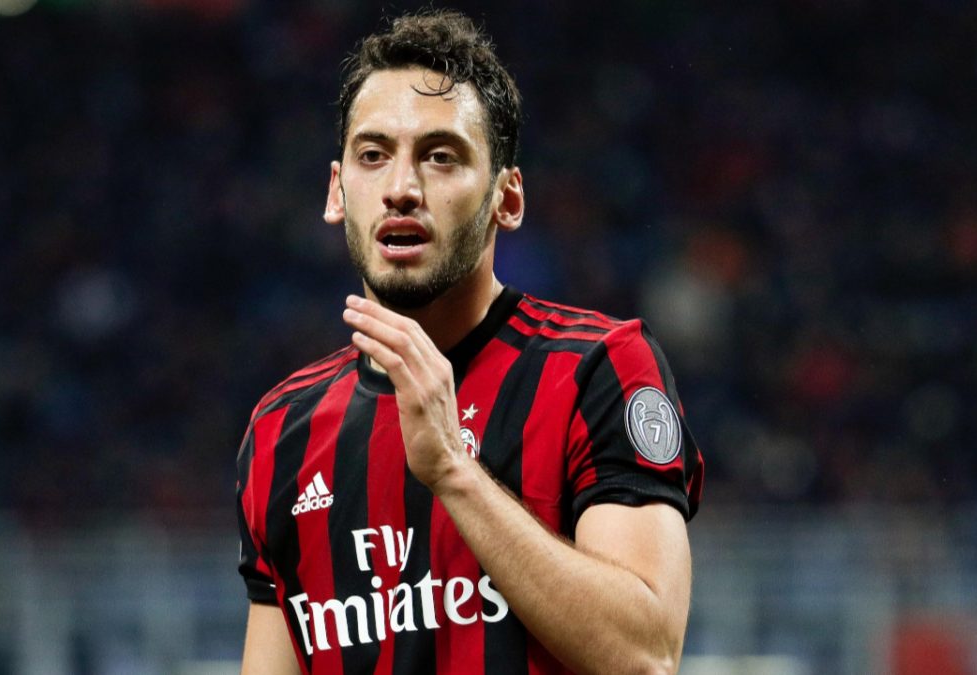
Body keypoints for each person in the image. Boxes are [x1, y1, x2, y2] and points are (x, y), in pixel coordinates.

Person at [236, 10, 703, 675]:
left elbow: (645, 655)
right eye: (373, 155)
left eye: (441, 157)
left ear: (506, 199)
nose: (401, 189)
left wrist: (454, 470)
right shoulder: (281, 429)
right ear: (338, 191)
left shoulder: (600, 369)